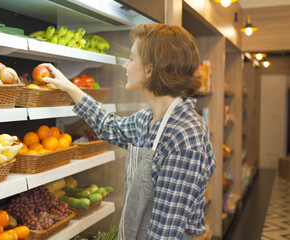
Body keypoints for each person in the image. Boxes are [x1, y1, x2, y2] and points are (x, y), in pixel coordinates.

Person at [42, 23, 216, 240]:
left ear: (150, 70)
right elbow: (109, 126)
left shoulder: (185, 136)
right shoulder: (147, 120)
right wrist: (69, 87)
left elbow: (164, 235)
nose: (125, 66)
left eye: (132, 58)